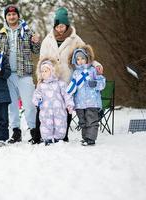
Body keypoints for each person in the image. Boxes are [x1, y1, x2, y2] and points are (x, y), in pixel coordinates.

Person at [39, 7, 103, 142]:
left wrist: (96, 64)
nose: (60, 29)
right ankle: (47, 134)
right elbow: (42, 60)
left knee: (65, 107)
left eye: (62, 25)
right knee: (50, 106)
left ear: (66, 25)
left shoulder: (75, 38)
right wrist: (40, 78)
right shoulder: (48, 39)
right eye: (58, 26)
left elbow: (87, 55)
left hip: (69, 78)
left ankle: (64, 134)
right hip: (52, 79)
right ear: (55, 26)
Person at [0, 4, 41, 143]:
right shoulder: (1, 34)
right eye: (9, 15)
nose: (11, 16)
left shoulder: (27, 31)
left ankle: (34, 131)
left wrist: (36, 41)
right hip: (8, 75)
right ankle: (16, 132)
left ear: (18, 15)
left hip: (24, 74)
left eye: (14, 14)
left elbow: (36, 50)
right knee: (12, 106)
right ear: (6, 17)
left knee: (29, 105)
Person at [67, 45, 106, 146]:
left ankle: (91, 138)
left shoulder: (93, 70)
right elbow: (72, 86)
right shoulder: (75, 73)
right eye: (78, 59)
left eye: (82, 58)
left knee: (91, 120)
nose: (80, 61)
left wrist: (96, 84)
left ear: (87, 58)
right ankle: (85, 137)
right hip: (80, 103)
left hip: (92, 102)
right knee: (83, 122)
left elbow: (102, 82)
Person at [32, 58, 74, 145]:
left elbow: (66, 94)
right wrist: (37, 100)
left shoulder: (60, 84)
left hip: (59, 111)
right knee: (46, 124)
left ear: (52, 71)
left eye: (45, 71)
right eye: (42, 71)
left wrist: (69, 104)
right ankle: (47, 139)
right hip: (46, 111)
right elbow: (36, 95)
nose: (43, 73)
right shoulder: (41, 85)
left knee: (60, 124)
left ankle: (58, 138)